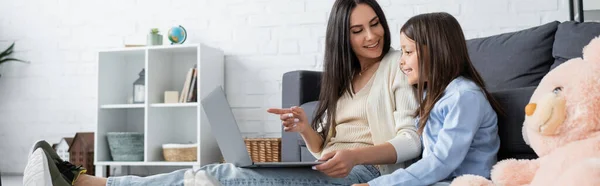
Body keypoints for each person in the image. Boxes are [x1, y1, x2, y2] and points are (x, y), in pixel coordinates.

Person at [22, 0, 421, 186]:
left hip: (370, 172)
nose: (372, 35)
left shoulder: (396, 66)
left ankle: (86, 184)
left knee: (223, 175)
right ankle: (83, 182)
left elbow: (410, 141)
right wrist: (306, 131)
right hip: (338, 168)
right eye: (357, 30)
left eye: (374, 24)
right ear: (341, 37)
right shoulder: (342, 80)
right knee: (228, 173)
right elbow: (326, 153)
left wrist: (354, 157)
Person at [353, 12, 503, 186]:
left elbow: (442, 162)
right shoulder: (431, 95)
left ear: (437, 52)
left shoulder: (464, 96)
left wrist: (378, 184)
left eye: (408, 52)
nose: (401, 61)